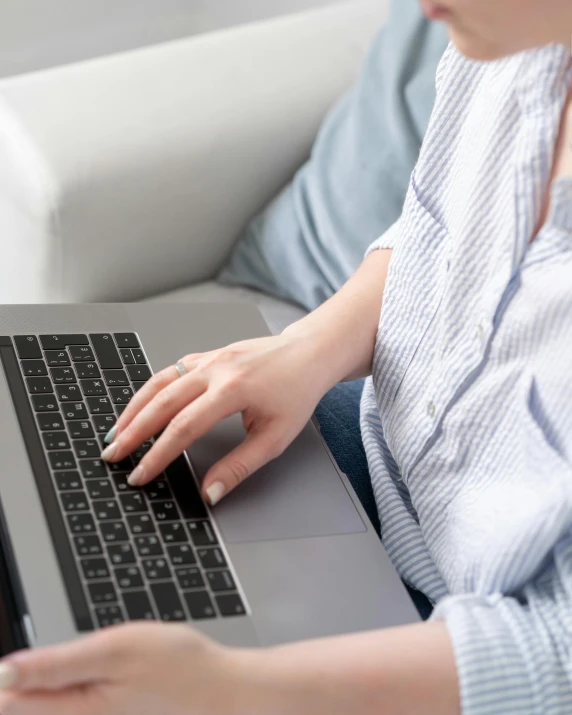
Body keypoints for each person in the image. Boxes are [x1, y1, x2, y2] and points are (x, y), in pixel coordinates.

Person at [1, 1, 572, 714]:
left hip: (471, 649)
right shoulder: (514, 38)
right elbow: (443, 226)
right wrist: (304, 347)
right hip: (373, 452)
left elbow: (558, 653)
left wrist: (233, 690)